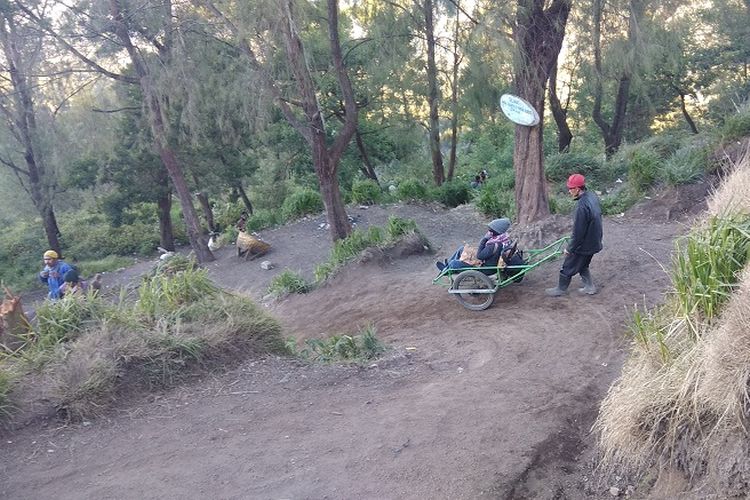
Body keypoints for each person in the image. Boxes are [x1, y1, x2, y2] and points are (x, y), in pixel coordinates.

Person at [546, 173, 603, 296]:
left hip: (585, 244)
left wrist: (570, 248)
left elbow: (578, 232)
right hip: (595, 240)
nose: (569, 191)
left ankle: (560, 289)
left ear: (578, 189)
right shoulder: (592, 196)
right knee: (583, 263)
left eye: (571, 188)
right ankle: (590, 287)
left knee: (568, 265)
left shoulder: (581, 207)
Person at [437, 218, 514, 273]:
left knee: (454, 263)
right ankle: (446, 267)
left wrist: (484, 239)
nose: (488, 231)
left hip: (486, 269)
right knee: (461, 249)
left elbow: (479, 256)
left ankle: (448, 267)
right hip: (489, 261)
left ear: (495, 232)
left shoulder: (494, 245)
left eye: (490, 230)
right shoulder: (504, 239)